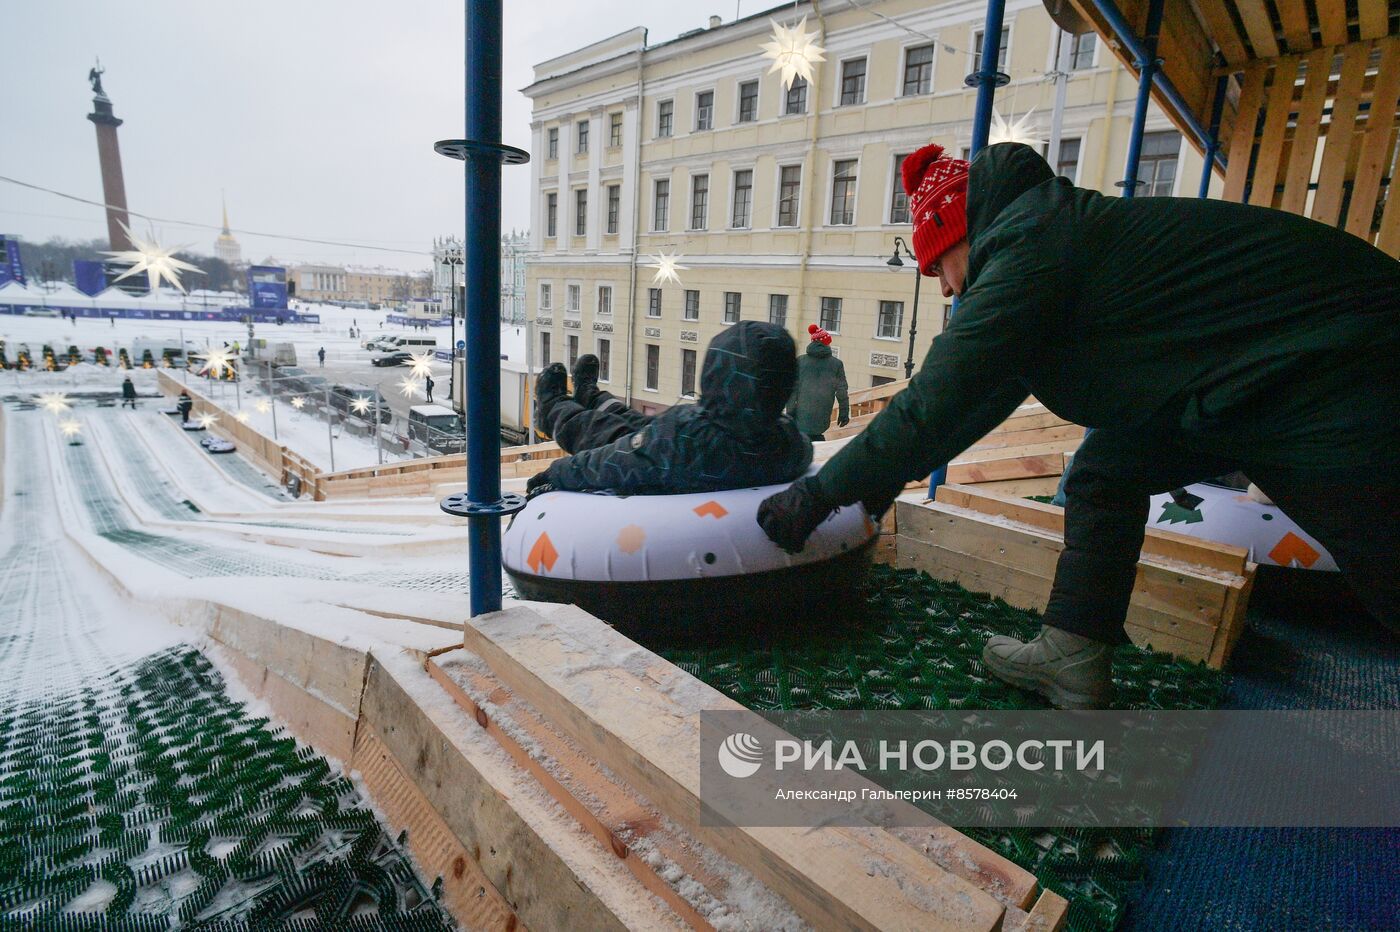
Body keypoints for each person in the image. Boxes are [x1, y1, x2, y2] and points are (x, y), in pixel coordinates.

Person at [757, 141, 1400, 710]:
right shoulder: (1045, 238)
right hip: (1249, 382)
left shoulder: (1031, 246)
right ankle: (1073, 655)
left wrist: (819, 492)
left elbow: (939, 397)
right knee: (1105, 472)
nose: (946, 291)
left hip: (1348, 363)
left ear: (958, 234)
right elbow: (981, 397)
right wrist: (884, 475)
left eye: (937, 269)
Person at [527, 320, 811, 496]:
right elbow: (806, 448)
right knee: (634, 422)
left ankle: (552, 407)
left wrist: (558, 472)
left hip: (668, 453)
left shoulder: (683, 441)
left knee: (598, 430)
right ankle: (589, 393)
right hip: (683, 441)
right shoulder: (787, 441)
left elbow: (614, 461)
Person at [785, 323, 849, 442]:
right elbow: (842, 391)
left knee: (800, 442)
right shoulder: (836, 364)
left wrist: (790, 412)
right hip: (823, 414)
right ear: (827, 343)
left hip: (801, 413)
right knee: (817, 440)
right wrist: (844, 413)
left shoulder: (800, 361)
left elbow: (792, 389)